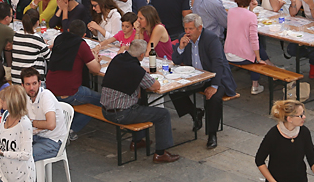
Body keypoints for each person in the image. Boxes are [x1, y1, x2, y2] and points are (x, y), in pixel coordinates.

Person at [100, 40, 179, 163]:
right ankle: (160, 153)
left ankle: (137, 141)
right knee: (163, 114)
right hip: (121, 114)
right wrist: (146, 73)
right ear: (142, 55)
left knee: (140, 102)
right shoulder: (135, 70)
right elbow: (155, 86)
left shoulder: (118, 59)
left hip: (106, 110)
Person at [174, 14, 236, 148]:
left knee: (214, 99)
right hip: (194, 76)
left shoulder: (211, 39)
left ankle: (212, 134)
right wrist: (181, 47)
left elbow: (218, 63)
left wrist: (214, 86)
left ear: (200, 28)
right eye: (186, 28)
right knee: (174, 91)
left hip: (215, 77)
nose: (187, 32)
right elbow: (176, 61)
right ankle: (194, 112)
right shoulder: (183, 38)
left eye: (190, 29)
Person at [255, 99, 314, 182]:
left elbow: (311, 155)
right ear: (290, 119)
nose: (304, 117)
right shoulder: (273, 135)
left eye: (303, 114)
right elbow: (259, 160)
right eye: (300, 115)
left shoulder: (304, 132)